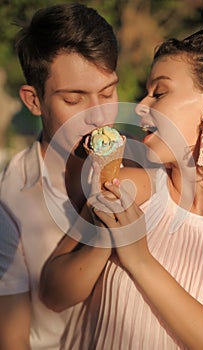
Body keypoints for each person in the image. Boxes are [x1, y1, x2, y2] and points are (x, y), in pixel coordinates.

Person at [40, 23, 203, 350]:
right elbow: (53, 294)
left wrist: (138, 257)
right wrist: (106, 236)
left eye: (159, 93)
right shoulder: (131, 185)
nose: (142, 106)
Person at [0, 3, 121, 349]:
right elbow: (14, 341)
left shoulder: (141, 167)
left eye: (108, 92)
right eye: (74, 99)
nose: (99, 117)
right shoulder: (9, 206)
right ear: (34, 101)